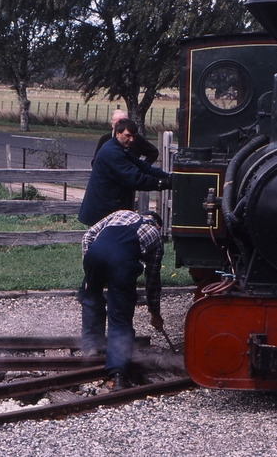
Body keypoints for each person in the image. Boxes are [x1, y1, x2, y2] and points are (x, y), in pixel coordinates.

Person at [80, 209, 165, 391]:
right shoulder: (156, 236)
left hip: (96, 255)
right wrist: (154, 312)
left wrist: (89, 275)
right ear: (158, 225)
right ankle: (118, 375)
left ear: (140, 213)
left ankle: (90, 348)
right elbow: (152, 280)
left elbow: (87, 236)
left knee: (92, 299)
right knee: (120, 316)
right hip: (123, 263)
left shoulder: (121, 213)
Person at [78, 118, 171, 226]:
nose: (131, 140)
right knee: (108, 242)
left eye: (134, 136)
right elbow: (134, 179)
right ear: (118, 133)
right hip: (103, 211)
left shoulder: (119, 148)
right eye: (128, 135)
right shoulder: (112, 152)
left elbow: (142, 166)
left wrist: (168, 176)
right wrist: (162, 183)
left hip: (110, 208)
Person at [92, 109, 158, 167]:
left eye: (123, 123)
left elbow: (153, 152)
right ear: (112, 124)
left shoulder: (135, 138)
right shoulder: (105, 139)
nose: (121, 127)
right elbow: (95, 162)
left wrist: (141, 168)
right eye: (117, 124)